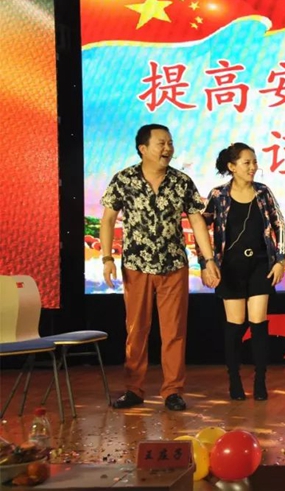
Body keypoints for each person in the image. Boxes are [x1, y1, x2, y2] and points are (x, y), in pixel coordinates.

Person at [100, 124, 220, 411]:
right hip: (136, 265)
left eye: (170, 143)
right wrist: (106, 258)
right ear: (143, 148)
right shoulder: (124, 179)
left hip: (173, 265)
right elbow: (108, 220)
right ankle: (134, 389)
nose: (168, 149)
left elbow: (197, 221)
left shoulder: (181, 181)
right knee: (136, 330)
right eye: (161, 143)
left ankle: (173, 391)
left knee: (174, 331)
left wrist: (208, 260)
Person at [197, 143, 285, 401]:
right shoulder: (218, 195)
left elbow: (279, 224)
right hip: (229, 268)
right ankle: (234, 381)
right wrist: (205, 263)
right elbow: (200, 228)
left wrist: (280, 260)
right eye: (247, 162)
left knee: (258, 323)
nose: (253, 167)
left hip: (260, 265)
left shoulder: (263, 192)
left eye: (254, 162)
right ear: (232, 166)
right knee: (235, 326)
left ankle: (260, 381)